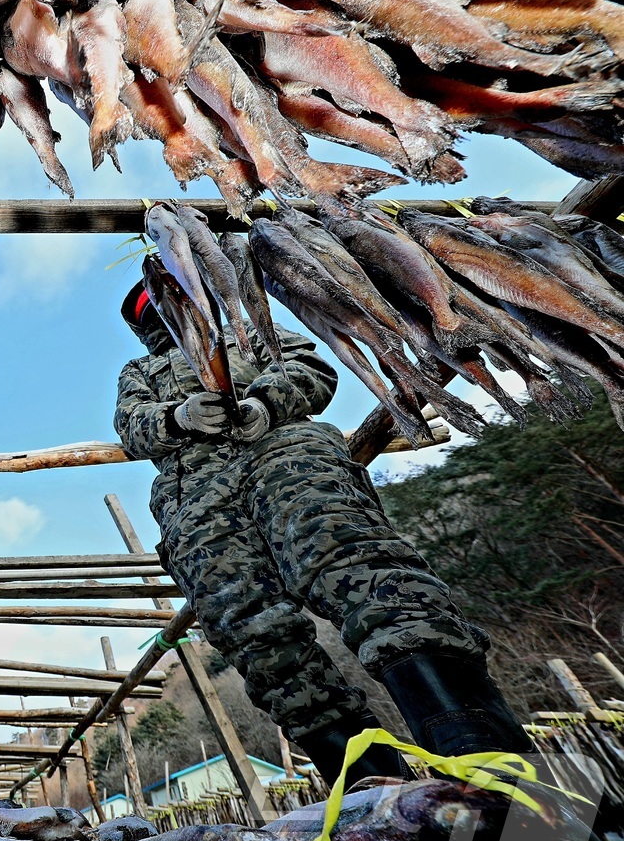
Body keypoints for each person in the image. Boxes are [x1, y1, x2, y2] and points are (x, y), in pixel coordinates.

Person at [112, 279, 540, 786]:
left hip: (284, 453)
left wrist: (266, 404)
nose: (163, 317)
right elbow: (131, 423)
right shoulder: (139, 372)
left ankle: (484, 757)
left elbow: (310, 368)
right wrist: (177, 417)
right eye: (153, 312)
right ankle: (371, 788)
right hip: (194, 496)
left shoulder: (248, 334)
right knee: (249, 629)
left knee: (357, 568)